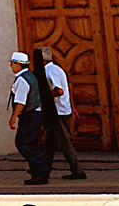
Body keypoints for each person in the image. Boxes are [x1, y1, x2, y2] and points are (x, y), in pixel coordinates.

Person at [39, 47, 86, 180]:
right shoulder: (53, 70)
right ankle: (42, 170)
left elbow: (59, 91)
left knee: (64, 141)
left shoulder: (51, 71)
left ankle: (77, 170)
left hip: (57, 111)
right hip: (55, 111)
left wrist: (42, 96)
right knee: (48, 142)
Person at [8, 51, 50, 185]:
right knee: (31, 144)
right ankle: (37, 175)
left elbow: (21, 102)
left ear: (18, 64)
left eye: (12, 63)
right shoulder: (31, 76)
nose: (10, 65)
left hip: (29, 115)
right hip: (36, 114)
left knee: (22, 143)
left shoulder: (22, 79)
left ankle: (41, 169)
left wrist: (13, 118)